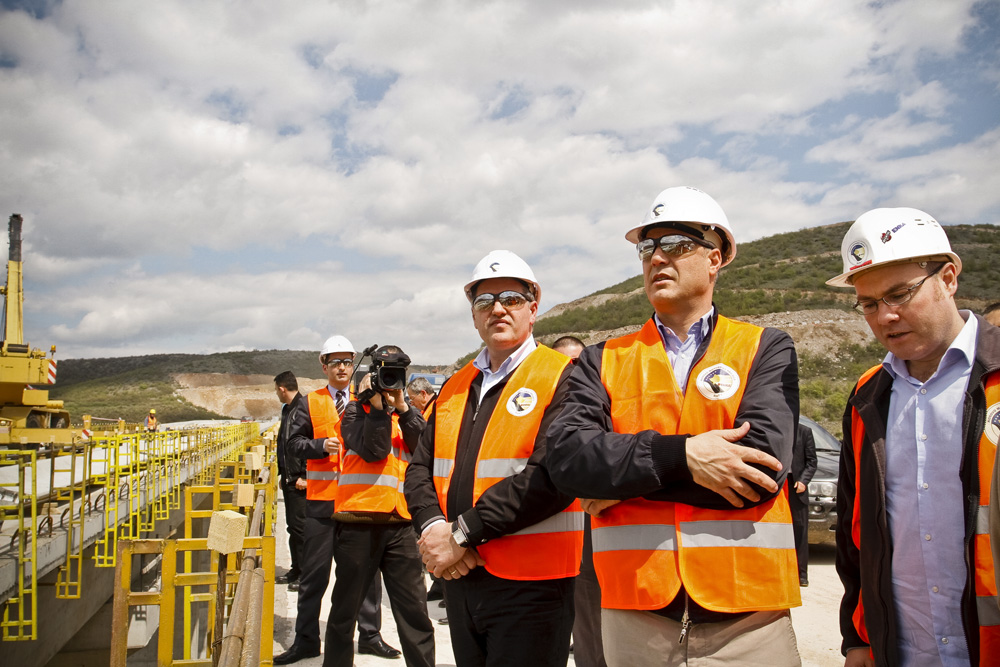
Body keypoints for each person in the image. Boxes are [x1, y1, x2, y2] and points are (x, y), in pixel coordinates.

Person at [546, 186, 802, 667]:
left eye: (677, 244)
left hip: (748, 619)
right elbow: (567, 463)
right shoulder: (602, 359)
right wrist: (683, 457)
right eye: (647, 248)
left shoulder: (766, 347)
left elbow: (760, 471)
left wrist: (620, 482)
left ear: (717, 257)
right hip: (635, 613)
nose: (657, 258)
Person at [827, 207, 1000, 666]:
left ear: (948, 277)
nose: (885, 316)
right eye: (868, 303)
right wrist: (858, 638)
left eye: (900, 294)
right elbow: (853, 530)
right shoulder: (868, 396)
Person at [404, 249, 583, 667]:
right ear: (473, 314)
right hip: (461, 578)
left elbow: (552, 477)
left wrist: (461, 534)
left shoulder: (564, 377)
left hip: (533, 585)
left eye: (512, 299)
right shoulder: (454, 386)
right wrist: (434, 528)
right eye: (484, 301)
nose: (498, 309)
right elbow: (419, 470)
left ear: (533, 308)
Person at [276, 335, 398, 665]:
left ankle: (370, 635)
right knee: (314, 576)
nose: (342, 368)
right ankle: (306, 640)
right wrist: (319, 447)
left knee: (366, 575)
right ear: (324, 365)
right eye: (335, 362)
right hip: (322, 504)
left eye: (347, 362)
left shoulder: (367, 398)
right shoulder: (309, 402)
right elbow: (293, 445)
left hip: (359, 503)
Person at [325, 346, 435, 667]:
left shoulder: (406, 415)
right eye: (386, 376)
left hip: (401, 524)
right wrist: (375, 407)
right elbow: (374, 451)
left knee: (415, 614)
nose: (390, 383)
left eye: (395, 378)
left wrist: (402, 406)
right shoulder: (354, 413)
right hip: (358, 521)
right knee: (345, 612)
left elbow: (424, 447)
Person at [552, 335, 607, 667]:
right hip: (546, 535)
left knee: (592, 621)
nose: (574, 371)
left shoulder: (600, 403)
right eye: (567, 365)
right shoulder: (537, 406)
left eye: (579, 363)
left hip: (589, 528)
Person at [275, 370, 307, 591]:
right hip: (289, 477)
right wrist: (282, 473)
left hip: (299, 480)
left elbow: (308, 442)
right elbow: (283, 445)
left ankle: (305, 576)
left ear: (281, 388)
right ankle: (296, 569)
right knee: (292, 528)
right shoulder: (287, 409)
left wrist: (305, 475)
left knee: (301, 529)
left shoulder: (303, 408)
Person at [790, 420, 817, 587]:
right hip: (778, 488)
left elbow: (812, 462)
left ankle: (801, 575)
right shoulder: (777, 429)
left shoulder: (805, 432)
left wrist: (803, 481)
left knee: (799, 531)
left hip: (797, 489)